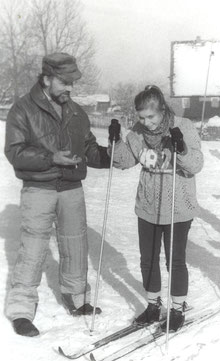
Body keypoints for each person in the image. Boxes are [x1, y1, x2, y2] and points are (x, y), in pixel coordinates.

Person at [5, 52, 111, 337]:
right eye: (65, 82)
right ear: (47, 78)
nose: (70, 88)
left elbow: (89, 149)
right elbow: (14, 152)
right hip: (39, 187)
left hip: (71, 188)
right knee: (33, 248)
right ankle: (21, 310)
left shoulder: (77, 113)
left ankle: (77, 299)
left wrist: (114, 154)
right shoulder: (23, 110)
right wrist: (52, 158)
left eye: (72, 83)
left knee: (75, 245)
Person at [108, 85, 203, 332]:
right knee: (148, 260)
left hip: (177, 206)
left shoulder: (183, 126)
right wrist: (115, 141)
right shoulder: (137, 134)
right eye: (141, 117)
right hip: (148, 205)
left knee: (176, 260)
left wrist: (180, 148)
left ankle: (178, 307)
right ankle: (153, 305)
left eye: (151, 116)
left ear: (162, 110)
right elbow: (121, 161)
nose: (146, 122)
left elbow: (195, 165)